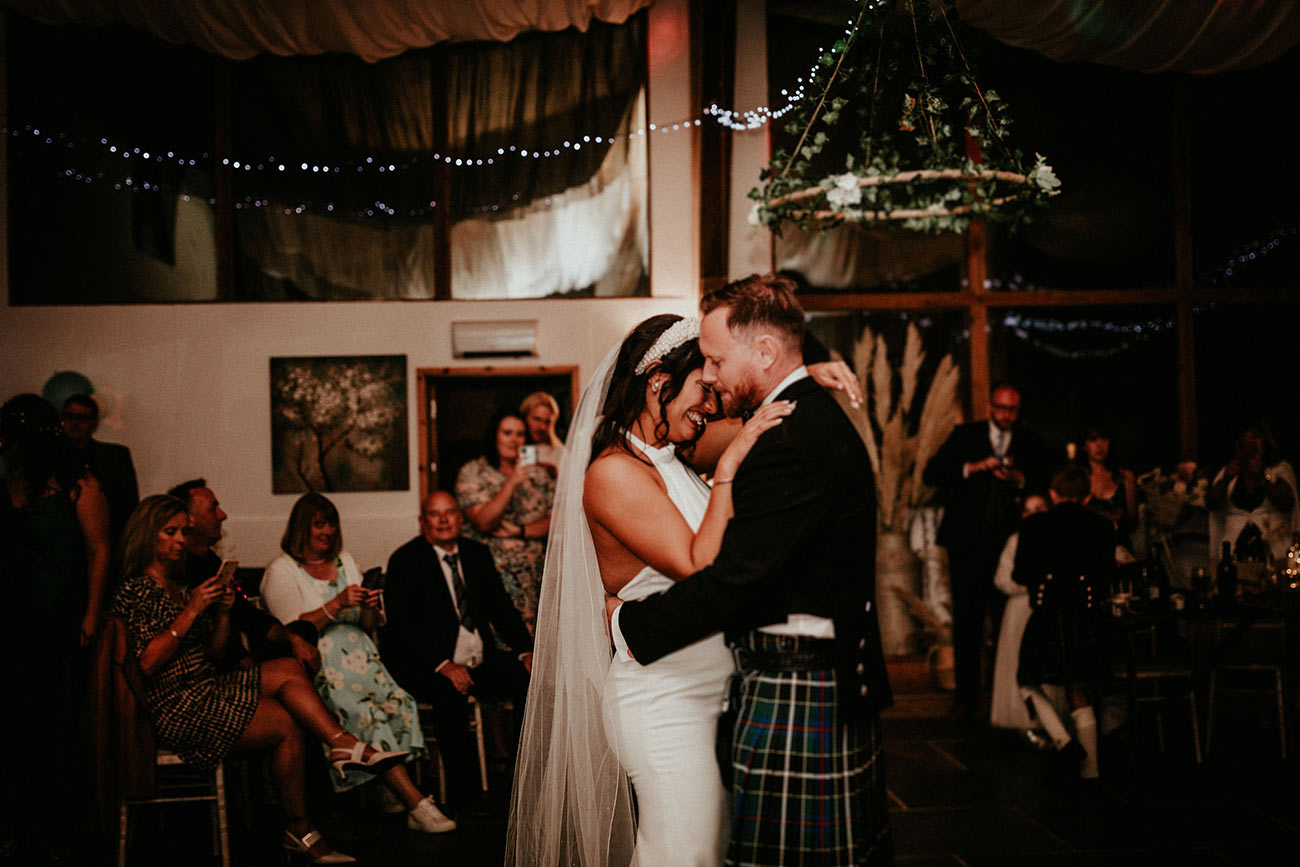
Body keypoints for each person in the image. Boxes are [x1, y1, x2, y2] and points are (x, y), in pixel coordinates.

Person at [506, 308, 865, 867]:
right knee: (683, 856)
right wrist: (726, 475)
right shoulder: (615, 474)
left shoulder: (677, 451)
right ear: (658, 384)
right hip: (665, 701)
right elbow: (699, 565)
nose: (711, 403)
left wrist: (804, 378)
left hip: (719, 699)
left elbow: (760, 409)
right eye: (704, 384)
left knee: (710, 854)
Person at [607, 276, 893, 866]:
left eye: (715, 359)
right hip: (774, 681)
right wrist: (807, 375)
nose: (710, 377)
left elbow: (736, 581)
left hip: (798, 680)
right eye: (702, 365)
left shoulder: (789, 437)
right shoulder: (790, 422)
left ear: (763, 352)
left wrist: (629, 626)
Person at [109, 495, 409, 864]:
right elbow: (148, 663)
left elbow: (216, 653)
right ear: (147, 536)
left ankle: (339, 744)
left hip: (205, 686)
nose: (181, 541)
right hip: (176, 705)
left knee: (287, 667)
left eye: (184, 532)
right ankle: (302, 826)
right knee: (285, 722)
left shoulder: (179, 583)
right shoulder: (135, 590)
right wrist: (191, 610)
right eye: (169, 532)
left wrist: (222, 615)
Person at [261, 493, 455, 834]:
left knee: (398, 704)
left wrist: (368, 605)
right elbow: (289, 631)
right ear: (301, 528)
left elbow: (367, 625)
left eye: (332, 524)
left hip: (364, 658)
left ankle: (389, 790)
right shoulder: (282, 570)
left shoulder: (345, 561)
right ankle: (416, 803)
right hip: (321, 668)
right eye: (319, 524)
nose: (327, 531)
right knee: (365, 715)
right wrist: (336, 603)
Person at [0, 394, 111, 860]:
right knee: (17, 725)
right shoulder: (12, 484)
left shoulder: (80, 485)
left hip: (63, 621)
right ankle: (22, 831)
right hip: (14, 620)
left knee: (58, 724)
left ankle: (64, 831)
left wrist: (89, 614)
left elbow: (100, 551)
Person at [382, 491, 534, 816]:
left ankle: (522, 775)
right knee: (449, 694)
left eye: (450, 512)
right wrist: (443, 665)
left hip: (480, 660)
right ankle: (465, 800)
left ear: (460, 518)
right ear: (422, 521)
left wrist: (525, 651)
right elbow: (401, 627)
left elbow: (501, 608)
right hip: (430, 666)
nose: (443, 519)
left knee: (531, 679)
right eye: (435, 514)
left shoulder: (476, 554)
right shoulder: (405, 560)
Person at [922, 382, 1050, 721]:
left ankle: (1003, 699)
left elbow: (1043, 484)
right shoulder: (965, 436)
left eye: (1012, 410)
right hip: (968, 545)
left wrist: (1020, 479)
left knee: (1007, 623)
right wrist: (972, 468)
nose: (1006, 415)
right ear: (991, 406)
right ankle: (966, 699)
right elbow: (930, 473)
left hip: (1010, 547)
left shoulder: (1030, 441)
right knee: (967, 621)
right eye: (1001, 408)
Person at [1014, 466, 1115, 787]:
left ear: (1053, 495)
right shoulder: (1102, 525)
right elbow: (1106, 575)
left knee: (1027, 681)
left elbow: (1019, 574)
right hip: (1086, 618)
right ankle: (1092, 773)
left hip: (1047, 616)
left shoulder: (1035, 526)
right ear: (1087, 496)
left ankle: (1064, 742)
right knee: (1078, 691)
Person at [167, 478, 320, 672]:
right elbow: (206, 640)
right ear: (189, 519)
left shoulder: (210, 561)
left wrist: (294, 640)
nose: (223, 516)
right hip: (210, 665)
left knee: (302, 632)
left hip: (238, 651)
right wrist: (247, 665)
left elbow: (248, 615)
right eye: (213, 509)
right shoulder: (177, 570)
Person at [455, 410, 556, 632]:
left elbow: (558, 522)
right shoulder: (473, 472)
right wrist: (511, 482)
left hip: (538, 578)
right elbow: (483, 522)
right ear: (495, 436)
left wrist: (521, 530)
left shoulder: (540, 474)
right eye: (507, 432)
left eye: (520, 434)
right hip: (494, 578)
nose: (514, 439)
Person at [990, 493, 1054, 743]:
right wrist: (1031, 586)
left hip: (1047, 607)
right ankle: (1024, 721)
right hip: (1020, 610)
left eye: (1039, 508)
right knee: (1019, 663)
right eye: (1029, 510)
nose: (1034, 514)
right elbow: (1002, 579)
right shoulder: (1015, 541)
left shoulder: (1053, 540)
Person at [1205, 424, 1297, 563]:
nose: (1250, 443)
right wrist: (1226, 479)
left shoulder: (1279, 470)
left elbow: (1287, 503)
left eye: (1255, 437)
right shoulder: (1228, 473)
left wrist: (1261, 478)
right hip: (1234, 552)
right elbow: (1212, 503)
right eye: (1244, 439)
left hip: (1274, 551)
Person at [61, 393, 139, 546]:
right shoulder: (51, 456)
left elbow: (128, 508)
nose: (74, 423)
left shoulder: (115, 457)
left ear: (94, 423)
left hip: (107, 541)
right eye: (70, 416)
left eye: (82, 418)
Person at [1077, 426, 1138, 543]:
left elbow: (1133, 522)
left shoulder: (1125, 477)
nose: (1099, 445)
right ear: (1084, 445)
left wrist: (1116, 517)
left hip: (1119, 545)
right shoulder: (1078, 478)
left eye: (1104, 439)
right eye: (1093, 439)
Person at [518, 391, 565, 466]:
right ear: (524, 417)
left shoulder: (560, 453)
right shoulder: (512, 447)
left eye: (547, 422)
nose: (542, 427)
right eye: (537, 419)